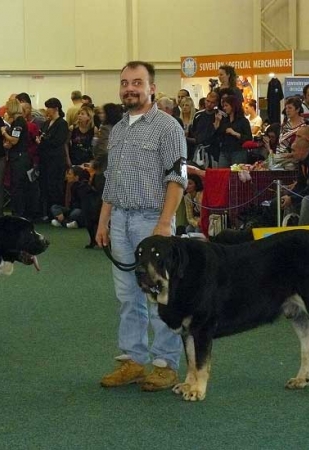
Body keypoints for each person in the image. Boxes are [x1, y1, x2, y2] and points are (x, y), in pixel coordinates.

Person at [96, 61, 186, 392]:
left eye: (137, 82)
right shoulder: (117, 130)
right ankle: (132, 360)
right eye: (124, 83)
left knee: (160, 295)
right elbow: (111, 180)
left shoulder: (168, 127)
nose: (129, 88)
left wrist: (164, 224)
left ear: (152, 88)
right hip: (119, 219)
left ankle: (165, 364)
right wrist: (104, 221)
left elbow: (177, 177)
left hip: (152, 221)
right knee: (127, 295)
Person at [37, 98, 69, 219]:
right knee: (44, 186)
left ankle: (56, 213)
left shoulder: (62, 123)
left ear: (55, 108)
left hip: (56, 161)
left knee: (55, 187)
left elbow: (58, 141)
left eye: (48, 108)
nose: (46, 111)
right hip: (45, 160)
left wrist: (44, 140)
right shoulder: (46, 123)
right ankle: (45, 212)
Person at [0, 99, 30, 218]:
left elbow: (14, 140)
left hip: (19, 158)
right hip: (18, 157)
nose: (6, 110)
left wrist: (4, 133)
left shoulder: (18, 122)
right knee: (17, 186)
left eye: (7, 108)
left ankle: (18, 213)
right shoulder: (17, 121)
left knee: (18, 186)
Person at [216, 94, 251, 167]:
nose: (224, 108)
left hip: (238, 151)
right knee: (222, 173)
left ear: (233, 106)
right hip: (224, 151)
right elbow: (219, 135)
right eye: (223, 106)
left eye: (226, 105)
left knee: (236, 174)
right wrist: (217, 122)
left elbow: (248, 138)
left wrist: (234, 133)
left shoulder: (243, 121)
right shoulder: (224, 120)